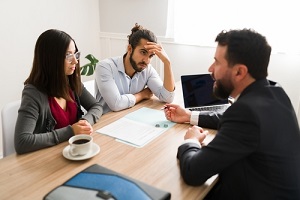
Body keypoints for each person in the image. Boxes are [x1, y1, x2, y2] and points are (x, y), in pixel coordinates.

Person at [164, 29, 300, 199]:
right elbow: (233, 122)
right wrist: (188, 116)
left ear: (239, 72)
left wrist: (190, 141)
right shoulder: (275, 92)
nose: (210, 69)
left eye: (217, 62)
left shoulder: (246, 113)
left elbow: (193, 173)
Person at [15, 29, 103, 154]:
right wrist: (71, 131)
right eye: (68, 56)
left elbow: (96, 106)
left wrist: (85, 122)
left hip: (74, 151)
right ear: (51, 59)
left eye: (76, 54)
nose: (75, 61)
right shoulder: (33, 93)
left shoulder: (71, 82)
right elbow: (22, 142)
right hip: (48, 160)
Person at [95, 23, 175, 114]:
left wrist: (167, 63)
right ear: (129, 49)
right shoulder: (105, 67)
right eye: (143, 52)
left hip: (130, 117)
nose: (147, 61)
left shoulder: (147, 69)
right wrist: (142, 95)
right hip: (105, 122)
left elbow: (167, 97)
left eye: (151, 56)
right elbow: (116, 104)